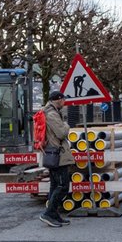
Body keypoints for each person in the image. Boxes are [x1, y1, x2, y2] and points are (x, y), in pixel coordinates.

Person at [39, 90, 72, 227]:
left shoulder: (50, 112)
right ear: (58, 99)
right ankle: (48, 213)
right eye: (63, 100)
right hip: (57, 155)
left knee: (55, 185)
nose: (64, 103)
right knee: (63, 186)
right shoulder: (52, 114)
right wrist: (67, 125)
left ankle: (54, 215)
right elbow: (61, 133)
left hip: (54, 153)